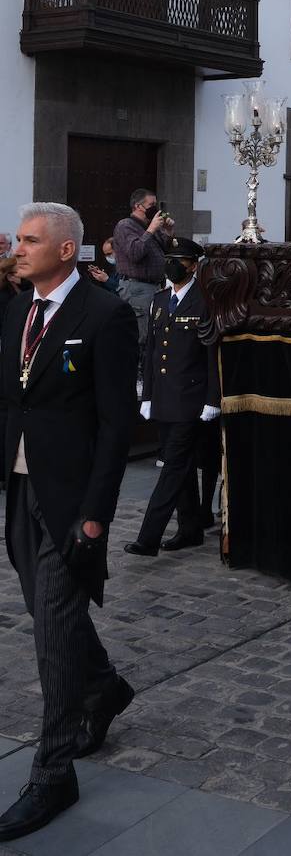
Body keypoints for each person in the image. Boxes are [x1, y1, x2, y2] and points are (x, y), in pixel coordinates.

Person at [0, 203, 137, 841]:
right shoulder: (17, 309)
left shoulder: (105, 315)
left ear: (64, 251)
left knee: (51, 633)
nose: (17, 248)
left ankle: (53, 771)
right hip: (22, 491)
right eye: (18, 240)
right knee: (48, 612)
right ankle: (105, 686)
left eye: (29, 241)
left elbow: (116, 427)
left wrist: (94, 519)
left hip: (71, 502)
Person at [124, 238, 219, 556]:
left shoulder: (205, 301)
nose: (172, 265)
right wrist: (147, 395)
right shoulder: (160, 299)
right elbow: (151, 352)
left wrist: (212, 399)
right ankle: (190, 529)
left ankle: (148, 537)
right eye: (169, 259)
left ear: (193, 265)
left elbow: (212, 355)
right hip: (164, 398)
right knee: (184, 466)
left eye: (178, 260)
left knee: (173, 467)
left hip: (191, 400)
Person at [111, 189, 174, 352]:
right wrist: (151, 230)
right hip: (137, 289)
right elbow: (135, 253)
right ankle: (137, 374)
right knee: (141, 335)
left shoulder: (149, 226)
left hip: (156, 287)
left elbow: (167, 250)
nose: (155, 208)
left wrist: (168, 232)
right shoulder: (125, 225)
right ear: (138, 206)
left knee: (156, 332)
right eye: (151, 205)